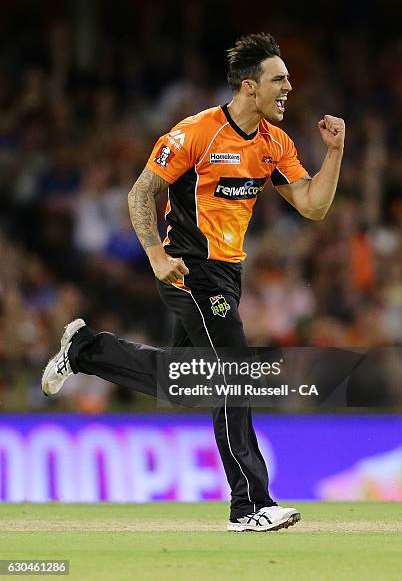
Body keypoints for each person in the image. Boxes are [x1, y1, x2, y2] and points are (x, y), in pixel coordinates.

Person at [42, 33, 345, 531]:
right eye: (279, 79)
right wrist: (158, 256)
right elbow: (141, 193)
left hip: (228, 273)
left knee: (186, 383)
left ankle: (87, 350)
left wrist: (334, 153)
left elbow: (313, 206)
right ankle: (250, 505)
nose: (289, 87)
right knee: (235, 372)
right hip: (188, 268)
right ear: (250, 87)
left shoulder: (274, 143)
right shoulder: (196, 133)